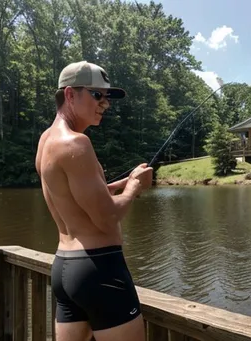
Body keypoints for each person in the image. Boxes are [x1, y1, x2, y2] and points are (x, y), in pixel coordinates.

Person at [35, 60, 153, 341]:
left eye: (107, 97)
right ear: (70, 94)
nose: (105, 103)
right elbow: (107, 217)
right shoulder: (77, 143)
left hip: (65, 269)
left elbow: (73, 197)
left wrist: (120, 184)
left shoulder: (46, 141)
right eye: (97, 94)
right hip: (99, 269)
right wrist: (134, 187)